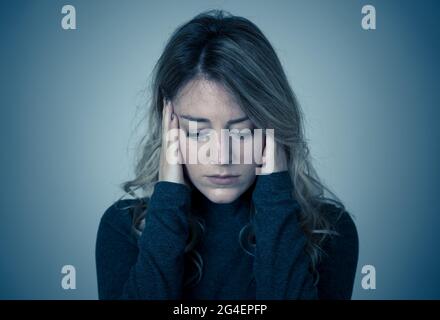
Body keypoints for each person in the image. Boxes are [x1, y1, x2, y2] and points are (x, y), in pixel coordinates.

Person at [95, 9, 358, 300]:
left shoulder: (329, 231)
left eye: (243, 131)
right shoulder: (125, 228)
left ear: (273, 125)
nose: (221, 157)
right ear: (169, 125)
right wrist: (167, 198)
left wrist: (275, 197)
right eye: (197, 131)